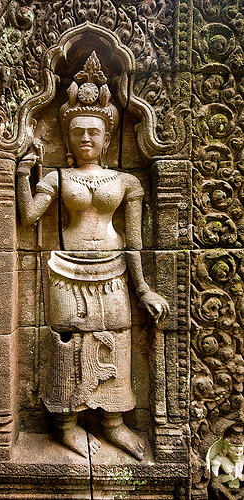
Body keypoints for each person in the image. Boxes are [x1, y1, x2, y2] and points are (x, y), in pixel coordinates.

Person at [17, 52, 169, 460]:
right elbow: (30, 216)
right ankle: (66, 424)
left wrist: (144, 289)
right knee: (66, 342)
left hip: (115, 270)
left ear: (107, 138)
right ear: (67, 137)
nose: (85, 138)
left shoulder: (125, 180)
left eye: (94, 133)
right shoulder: (57, 177)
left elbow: (134, 241)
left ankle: (113, 423)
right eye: (78, 132)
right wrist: (20, 175)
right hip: (66, 271)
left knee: (116, 338)